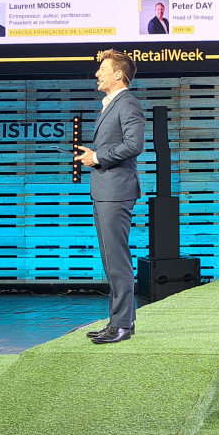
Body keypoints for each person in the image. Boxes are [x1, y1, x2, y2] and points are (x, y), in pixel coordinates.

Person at [75, 49, 145, 344]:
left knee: (117, 260)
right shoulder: (111, 104)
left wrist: (98, 157)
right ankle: (118, 320)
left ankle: (123, 325)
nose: (97, 74)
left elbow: (134, 145)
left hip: (116, 192)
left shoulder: (128, 103)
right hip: (105, 191)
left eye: (102, 69)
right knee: (110, 260)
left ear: (118, 74)